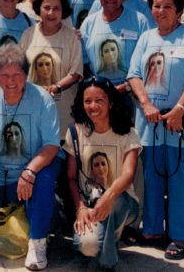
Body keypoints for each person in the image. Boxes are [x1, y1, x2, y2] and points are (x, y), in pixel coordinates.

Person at [127, 0, 184, 261]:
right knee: (151, 179)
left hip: (179, 126)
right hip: (149, 124)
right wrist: (146, 104)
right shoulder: (146, 37)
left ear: (179, 11)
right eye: (157, 6)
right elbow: (134, 75)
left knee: (180, 182)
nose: (161, 11)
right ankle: (150, 230)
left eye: (168, 7)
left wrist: (179, 109)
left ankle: (179, 236)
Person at [0, 43, 61, 271]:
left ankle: (37, 243)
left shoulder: (42, 99)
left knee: (44, 179)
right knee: (4, 217)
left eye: (17, 75)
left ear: (26, 75)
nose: (11, 81)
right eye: (5, 75)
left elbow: (51, 145)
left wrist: (30, 171)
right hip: (3, 177)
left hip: (34, 170)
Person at [65, 76, 141, 270]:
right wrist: (80, 208)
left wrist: (107, 197)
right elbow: (71, 178)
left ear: (111, 103)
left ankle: (107, 263)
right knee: (87, 246)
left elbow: (128, 175)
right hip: (90, 204)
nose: (93, 106)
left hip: (122, 202)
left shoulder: (128, 133)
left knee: (114, 202)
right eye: (88, 101)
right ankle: (108, 244)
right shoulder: (76, 132)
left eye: (99, 100)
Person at [20, 0, 83, 131]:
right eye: (46, 8)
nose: (50, 13)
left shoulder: (72, 38)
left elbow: (76, 73)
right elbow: (20, 69)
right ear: (38, 8)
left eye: (56, 9)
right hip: (32, 108)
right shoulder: (28, 34)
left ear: (63, 11)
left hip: (63, 114)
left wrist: (56, 87)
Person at [80, 0, 152, 87]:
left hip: (132, 92)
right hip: (99, 92)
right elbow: (83, 62)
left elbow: (147, 59)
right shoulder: (89, 23)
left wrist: (128, 86)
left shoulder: (139, 21)